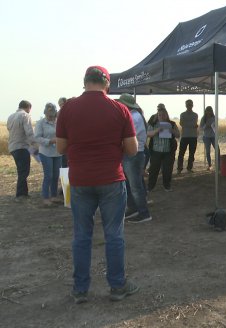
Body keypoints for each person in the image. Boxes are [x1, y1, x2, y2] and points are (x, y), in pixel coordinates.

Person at [56, 65, 139, 304]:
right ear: (107, 84)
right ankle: (117, 286)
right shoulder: (120, 109)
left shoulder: (68, 108)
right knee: (114, 235)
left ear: (84, 82)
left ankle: (80, 290)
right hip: (111, 179)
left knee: (81, 235)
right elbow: (132, 149)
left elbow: (61, 147)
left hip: (80, 180)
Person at [117, 94, 152, 223]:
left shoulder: (133, 118)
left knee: (135, 186)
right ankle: (133, 208)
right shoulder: (134, 116)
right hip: (132, 154)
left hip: (134, 154)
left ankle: (144, 212)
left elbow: (129, 137)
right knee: (129, 184)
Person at [34, 102, 62, 207]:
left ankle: (54, 196)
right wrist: (50, 141)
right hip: (45, 153)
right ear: (45, 112)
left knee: (55, 176)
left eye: (53, 114)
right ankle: (45, 197)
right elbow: (37, 137)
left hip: (57, 153)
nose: (50, 116)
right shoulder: (40, 123)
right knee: (48, 175)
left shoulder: (58, 122)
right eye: (49, 114)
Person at [7, 100, 36, 201]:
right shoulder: (25, 115)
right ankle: (20, 194)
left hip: (12, 146)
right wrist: (35, 144)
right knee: (24, 171)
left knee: (21, 170)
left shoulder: (11, 116)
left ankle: (24, 192)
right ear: (28, 107)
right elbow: (29, 132)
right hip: (22, 146)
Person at [147, 105, 180, 192]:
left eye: (164, 115)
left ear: (167, 115)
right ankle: (150, 186)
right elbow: (148, 134)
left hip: (168, 151)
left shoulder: (172, 124)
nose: (162, 116)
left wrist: (171, 131)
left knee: (167, 170)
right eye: (160, 115)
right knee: (154, 169)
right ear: (157, 115)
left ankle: (167, 186)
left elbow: (178, 135)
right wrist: (157, 130)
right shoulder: (153, 123)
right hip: (155, 151)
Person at [177, 99, 198, 173]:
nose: (189, 106)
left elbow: (192, 124)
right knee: (181, 153)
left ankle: (189, 168)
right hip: (184, 136)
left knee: (192, 153)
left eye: (190, 104)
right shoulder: (182, 114)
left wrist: (187, 124)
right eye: (188, 104)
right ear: (186, 105)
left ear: (192, 105)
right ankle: (179, 168)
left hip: (193, 136)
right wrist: (192, 125)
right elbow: (182, 123)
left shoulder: (195, 115)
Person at [200, 106, 220, 170]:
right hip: (206, 137)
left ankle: (218, 165)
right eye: (207, 111)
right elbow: (201, 128)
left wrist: (213, 126)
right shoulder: (203, 118)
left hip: (213, 136)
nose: (209, 112)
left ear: (212, 111)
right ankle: (209, 165)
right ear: (206, 111)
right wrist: (206, 125)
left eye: (210, 111)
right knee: (208, 151)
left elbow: (216, 126)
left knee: (217, 150)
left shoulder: (214, 118)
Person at [58, 97, 69, 168]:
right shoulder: (59, 113)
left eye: (61, 104)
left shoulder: (70, 110)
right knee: (64, 164)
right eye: (59, 105)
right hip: (63, 141)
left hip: (71, 141)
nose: (60, 106)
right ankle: (65, 179)